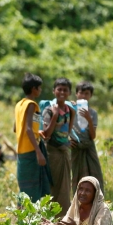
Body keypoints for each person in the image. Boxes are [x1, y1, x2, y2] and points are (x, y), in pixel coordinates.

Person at [41, 78, 76, 216]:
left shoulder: (70, 110)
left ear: (69, 92)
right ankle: (50, 219)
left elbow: (68, 131)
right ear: (54, 91)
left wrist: (66, 143)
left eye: (65, 90)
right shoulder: (49, 111)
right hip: (52, 153)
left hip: (64, 153)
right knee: (53, 187)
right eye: (59, 89)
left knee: (65, 187)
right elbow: (46, 134)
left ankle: (63, 219)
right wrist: (55, 116)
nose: (62, 92)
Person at [14, 73, 51, 203]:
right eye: (39, 88)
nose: (40, 90)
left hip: (21, 150)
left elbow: (16, 128)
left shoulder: (19, 105)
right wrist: (38, 152)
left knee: (24, 188)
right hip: (30, 150)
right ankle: (29, 220)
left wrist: (37, 132)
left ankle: (22, 218)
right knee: (32, 188)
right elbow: (28, 129)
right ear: (34, 89)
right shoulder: (31, 105)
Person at [70, 81, 105, 194]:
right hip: (75, 147)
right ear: (76, 93)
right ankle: (77, 204)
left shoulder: (92, 113)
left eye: (87, 94)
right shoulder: (70, 108)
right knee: (76, 175)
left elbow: (92, 136)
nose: (84, 96)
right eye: (81, 93)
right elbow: (63, 128)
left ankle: (96, 205)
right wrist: (67, 141)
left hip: (89, 147)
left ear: (90, 96)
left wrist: (89, 119)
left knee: (94, 176)